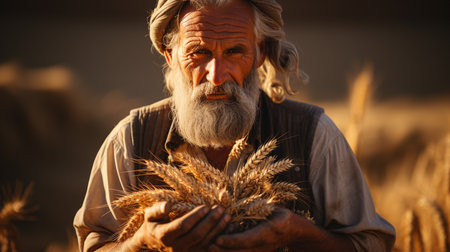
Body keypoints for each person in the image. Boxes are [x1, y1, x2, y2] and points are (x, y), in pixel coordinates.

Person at [74, 0, 396, 251]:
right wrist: (140, 242)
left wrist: (297, 234)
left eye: (234, 52)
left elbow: (371, 245)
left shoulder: (314, 136)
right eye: (198, 52)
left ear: (260, 53)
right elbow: (95, 245)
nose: (217, 76)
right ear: (170, 55)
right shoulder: (130, 141)